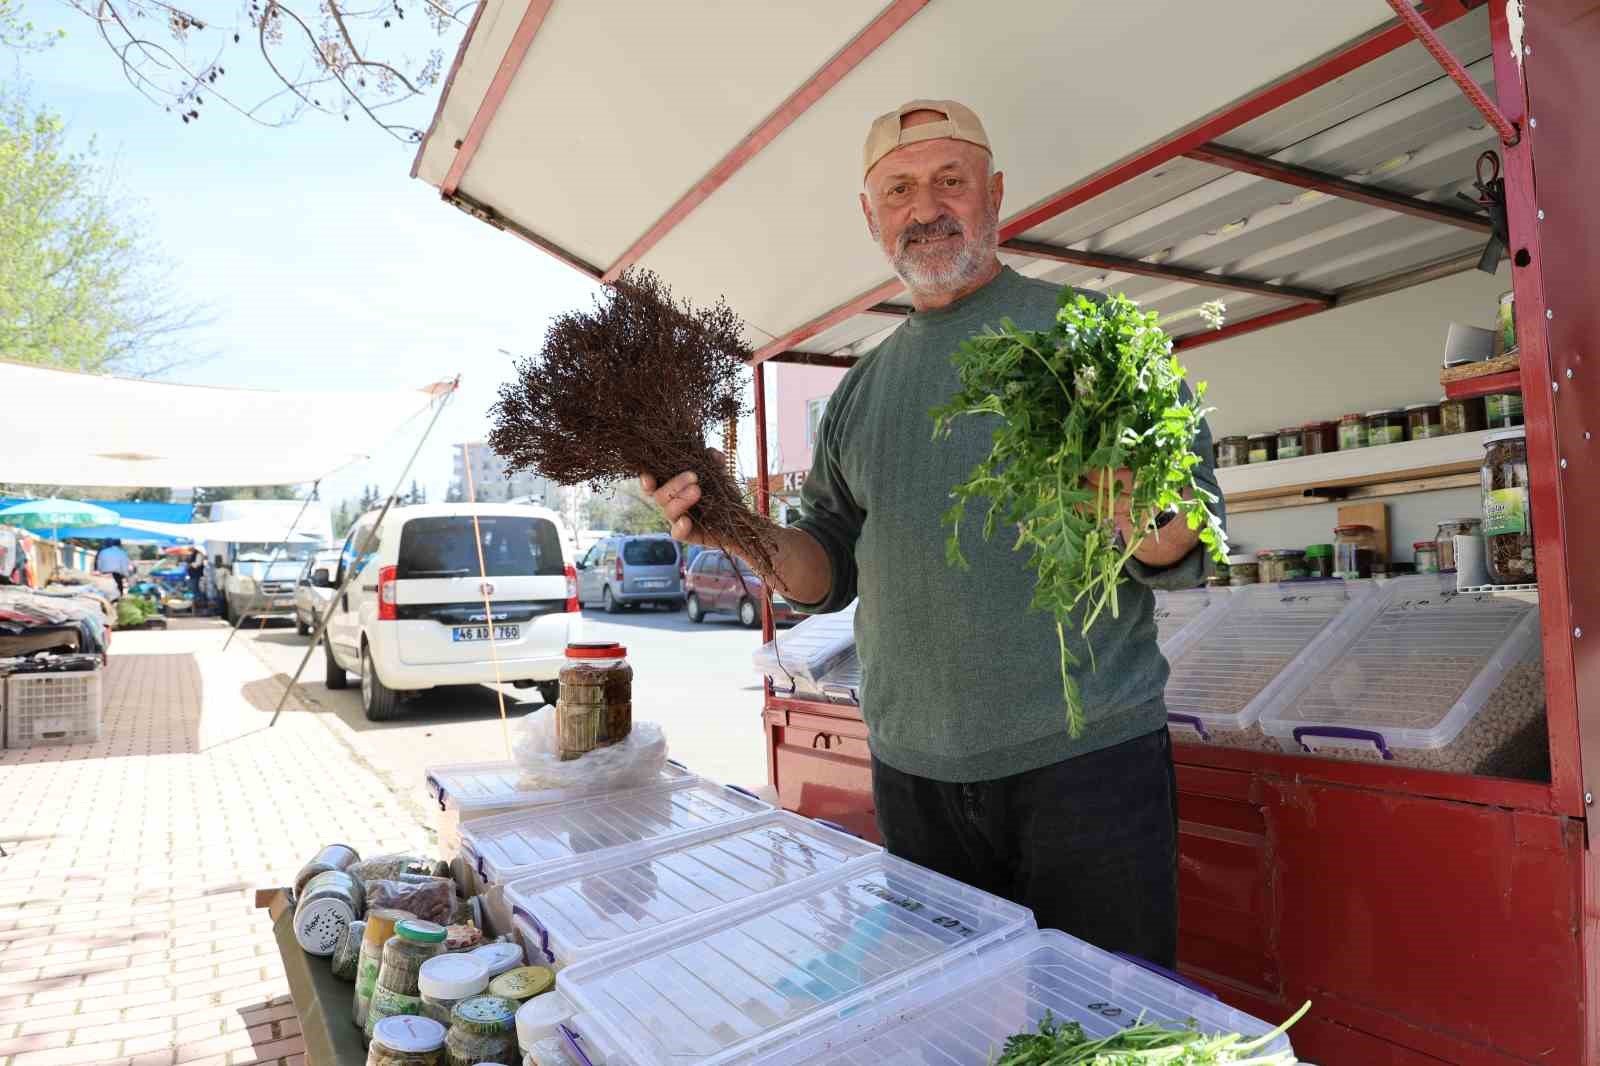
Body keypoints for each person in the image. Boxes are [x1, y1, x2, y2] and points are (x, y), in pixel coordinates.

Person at [643, 100, 1224, 967]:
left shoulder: (1096, 338)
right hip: (914, 773)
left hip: (1087, 764)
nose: (927, 207)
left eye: (950, 181)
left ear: (993, 194)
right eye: (900, 189)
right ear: (870, 215)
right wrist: (733, 528)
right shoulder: (861, 391)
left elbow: (1184, 538)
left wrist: (1141, 517)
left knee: (1110, 1031)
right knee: (951, 1028)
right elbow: (823, 572)